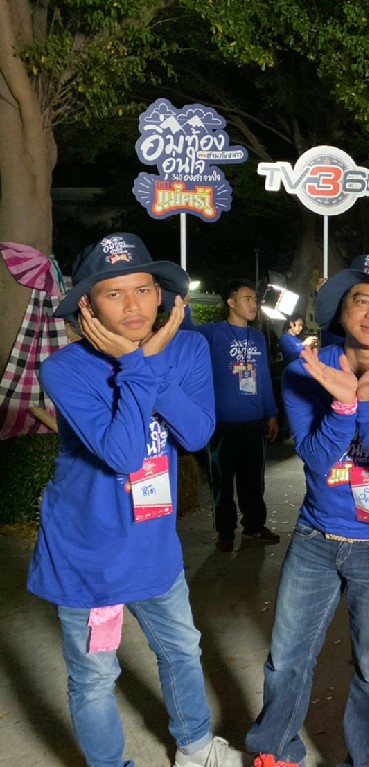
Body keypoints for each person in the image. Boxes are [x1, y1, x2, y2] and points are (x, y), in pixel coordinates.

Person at [33, 232, 244, 767]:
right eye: (114, 293)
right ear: (87, 305)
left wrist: (144, 362)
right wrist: (135, 363)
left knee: (182, 649)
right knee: (94, 675)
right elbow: (124, 454)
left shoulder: (189, 348)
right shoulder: (64, 368)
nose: (133, 305)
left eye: (144, 289)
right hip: (87, 554)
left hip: (153, 543)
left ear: (161, 294)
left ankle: (196, 747)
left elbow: (196, 434)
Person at [246, 254, 369, 767]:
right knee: (286, 659)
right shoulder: (306, 370)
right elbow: (315, 457)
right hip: (315, 538)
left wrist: (366, 402)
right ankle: (275, 752)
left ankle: (366, 759)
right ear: (341, 311)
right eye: (362, 300)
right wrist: (342, 405)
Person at [192, 279, 281, 552]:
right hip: (222, 422)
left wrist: (271, 413)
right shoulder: (212, 332)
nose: (253, 304)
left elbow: (263, 376)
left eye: (254, 299)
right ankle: (225, 530)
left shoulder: (257, 337)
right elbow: (183, 332)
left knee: (253, 480)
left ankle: (254, 525)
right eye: (247, 299)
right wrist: (181, 306)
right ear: (231, 302)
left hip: (254, 421)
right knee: (221, 479)